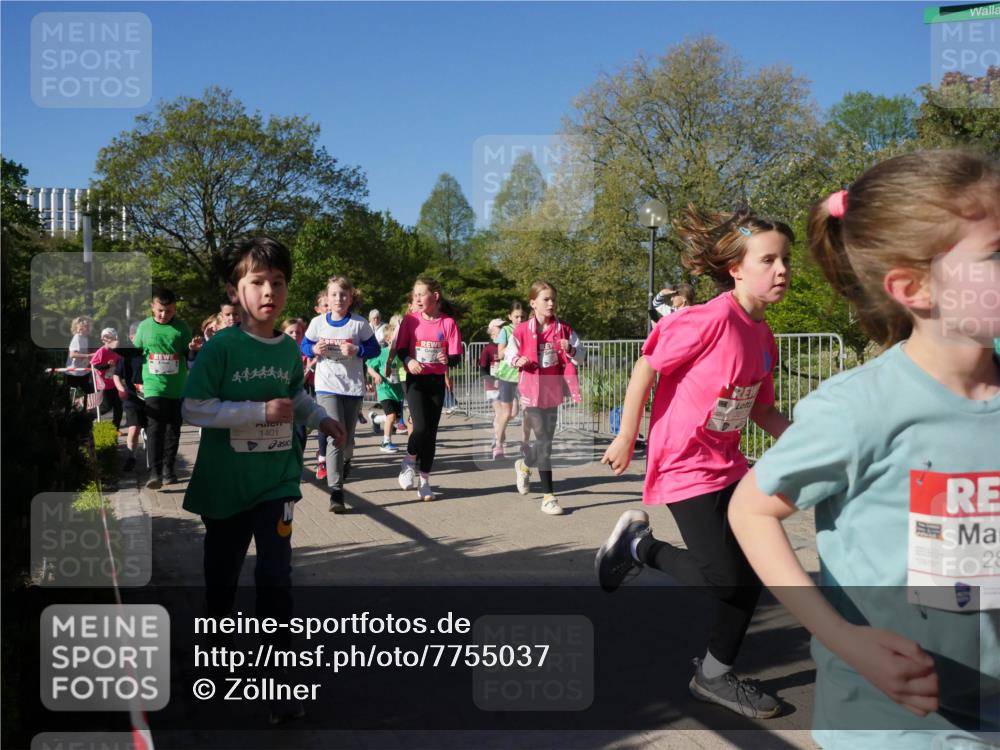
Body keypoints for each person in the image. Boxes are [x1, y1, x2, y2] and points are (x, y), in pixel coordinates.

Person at [728, 150, 1000, 749]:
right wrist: (843, 638)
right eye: (995, 255)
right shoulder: (861, 407)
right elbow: (751, 510)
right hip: (891, 722)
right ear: (913, 287)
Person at [594, 205, 794, 718]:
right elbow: (645, 368)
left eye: (786, 260)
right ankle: (639, 547)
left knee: (749, 572)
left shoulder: (763, 336)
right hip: (684, 462)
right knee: (726, 578)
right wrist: (625, 435)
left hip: (727, 462)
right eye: (768, 260)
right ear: (736, 269)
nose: (782, 270)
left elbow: (763, 409)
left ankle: (714, 676)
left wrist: (811, 443)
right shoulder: (708, 318)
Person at [181, 236, 345, 725]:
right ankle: (217, 652)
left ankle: (279, 686)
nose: (268, 291)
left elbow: (294, 398)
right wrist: (254, 411)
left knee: (276, 582)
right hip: (225, 488)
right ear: (235, 291)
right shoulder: (221, 348)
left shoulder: (289, 350)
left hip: (276, 483)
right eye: (257, 282)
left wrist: (320, 418)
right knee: (222, 581)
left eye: (277, 282)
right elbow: (194, 407)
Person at [301, 276, 380, 513]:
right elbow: (305, 345)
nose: (338, 299)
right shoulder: (318, 322)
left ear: (350, 298)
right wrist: (314, 349)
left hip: (352, 388)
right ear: (327, 297)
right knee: (336, 434)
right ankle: (336, 491)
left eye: (343, 295)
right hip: (326, 386)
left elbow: (375, 349)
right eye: (334, 294)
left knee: (348, 438)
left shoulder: (359, 324)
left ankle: (346, 460)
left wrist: (358, 349)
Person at [506, 281, 585, 516]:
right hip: (530, 390)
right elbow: (510, 352)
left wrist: (570, 349)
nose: (551, 303)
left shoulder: (564, 329)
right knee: (543, 439)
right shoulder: (521, 330)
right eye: (545, 300)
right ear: (533, 303)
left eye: (553, 299)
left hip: (552, 390)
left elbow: (581, 354)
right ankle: (549, 497)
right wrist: (516, 360)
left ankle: (523, 463)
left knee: (545, 442)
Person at [386, 276, 462, 501]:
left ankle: (425, 482)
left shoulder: (448, 323)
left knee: (431, 434)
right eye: (415, 294)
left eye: (422, 294)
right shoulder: (410, 321)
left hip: (436, 382)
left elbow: (456, 357)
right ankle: (408, 461)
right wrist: (408, 360)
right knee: (419, 428)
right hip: (415, 381)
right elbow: (400, 350)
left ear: (435, 296)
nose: (417, 298)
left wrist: (446, 358)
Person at [133, 288, 197, 489]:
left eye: (168, 311)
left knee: (173, 430)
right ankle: (154, 473)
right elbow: (136, 353)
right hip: (153, 386)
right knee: (155, 428)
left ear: (175, 309)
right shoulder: (144, 327)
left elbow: (188, 355)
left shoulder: (181, 327)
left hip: (177, 388)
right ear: (152, 307)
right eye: (160, 310)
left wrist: (193, 350)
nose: (163, 315)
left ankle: (169, 470)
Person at [493, 302, 528, 460]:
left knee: (527, 412)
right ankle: (499, 445)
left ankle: (525, 445)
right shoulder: (506, 331)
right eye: (516, 316)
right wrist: (513, 347)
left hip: (525, 377)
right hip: (507, 376)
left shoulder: (529, 329)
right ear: (509, 317)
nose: (520, 319)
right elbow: (499, 355)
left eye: (522, 316)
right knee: (507, 413)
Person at [367, 318, 404, 453]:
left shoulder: (401, 355)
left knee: (396, 418)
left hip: (397, 391)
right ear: (388, 340)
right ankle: (385, 443)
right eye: (395, 339)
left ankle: (375, 419)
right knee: (391, 417)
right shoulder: (381, 353)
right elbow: (369, 366)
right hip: (384, 390)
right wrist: (376, 375)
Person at [113, 323, 146, 472]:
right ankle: (131, 457)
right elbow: (116, 376)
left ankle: (154, 462)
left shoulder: (150, 353)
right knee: (134, 428)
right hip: (132, 397)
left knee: (153, 431)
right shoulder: (125, 356)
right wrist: (121, 389)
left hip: (152, 397)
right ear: (131, 337)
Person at [90, 327, 123, 431]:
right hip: (103, 384)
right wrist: (107, 366)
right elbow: (94, 366)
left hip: (113, 383)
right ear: (103, 340)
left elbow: (118, 363)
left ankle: (115, 429)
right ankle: (87, 416)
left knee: (119, 408)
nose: (111, 341)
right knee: (106, 407)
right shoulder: (101, 351)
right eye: (108, 338)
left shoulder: (116, 352)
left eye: (113, 338)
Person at [481, 318, 505, 457]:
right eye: (499, 327)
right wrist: (492, 380)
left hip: (507, 385)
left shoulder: (507, 345)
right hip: (492, 387)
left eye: (503, 326)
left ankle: (497, 437)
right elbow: (482, 371)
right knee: (501, 413)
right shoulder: (488, 349)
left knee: (504, 414)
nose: (502, 329)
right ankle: (498, 443)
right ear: (492, 331)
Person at [65, 315, 93, 396]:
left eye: (89, 326)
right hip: (73, 373)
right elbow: (72, 354)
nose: (89, 328)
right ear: (80, 328)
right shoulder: (77, 338)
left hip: (83, 371)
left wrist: (89, 359)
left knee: (89, 392)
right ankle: (69, 408)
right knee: (71, 395)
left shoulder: (85, 338)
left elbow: (83, 353)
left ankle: (90, 408)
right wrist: (88, 355)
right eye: (86, 326)